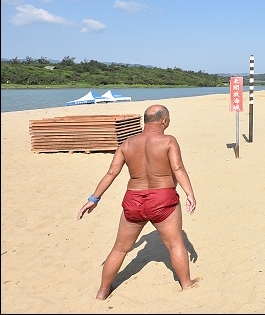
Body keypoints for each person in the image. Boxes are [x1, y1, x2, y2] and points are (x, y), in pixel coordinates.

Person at [77, 104, 199, 300]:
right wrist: (189, 193)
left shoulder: (126, 144)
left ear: (145, 121)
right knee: (176, 243)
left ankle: (102, 291)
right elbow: (178, 169)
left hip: (133, 199)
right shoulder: (168, 141)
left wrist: (94, 199)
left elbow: (111, 173)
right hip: (162, 198)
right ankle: (186, 284)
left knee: (120, 248)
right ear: (164, 121)